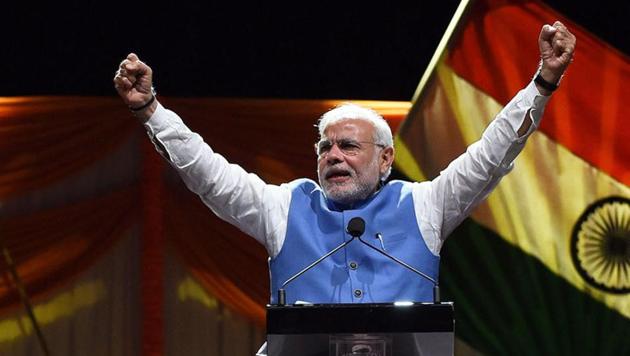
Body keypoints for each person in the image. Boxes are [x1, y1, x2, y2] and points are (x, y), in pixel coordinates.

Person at [114, 22, 575, 305]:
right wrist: (150, 110)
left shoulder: (424, 205)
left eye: (348, 147)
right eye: (325, 148)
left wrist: (542, 83)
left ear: (385, 159)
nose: (333, 156)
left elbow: (490, 156)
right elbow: (209, 175)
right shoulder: (284, 206)